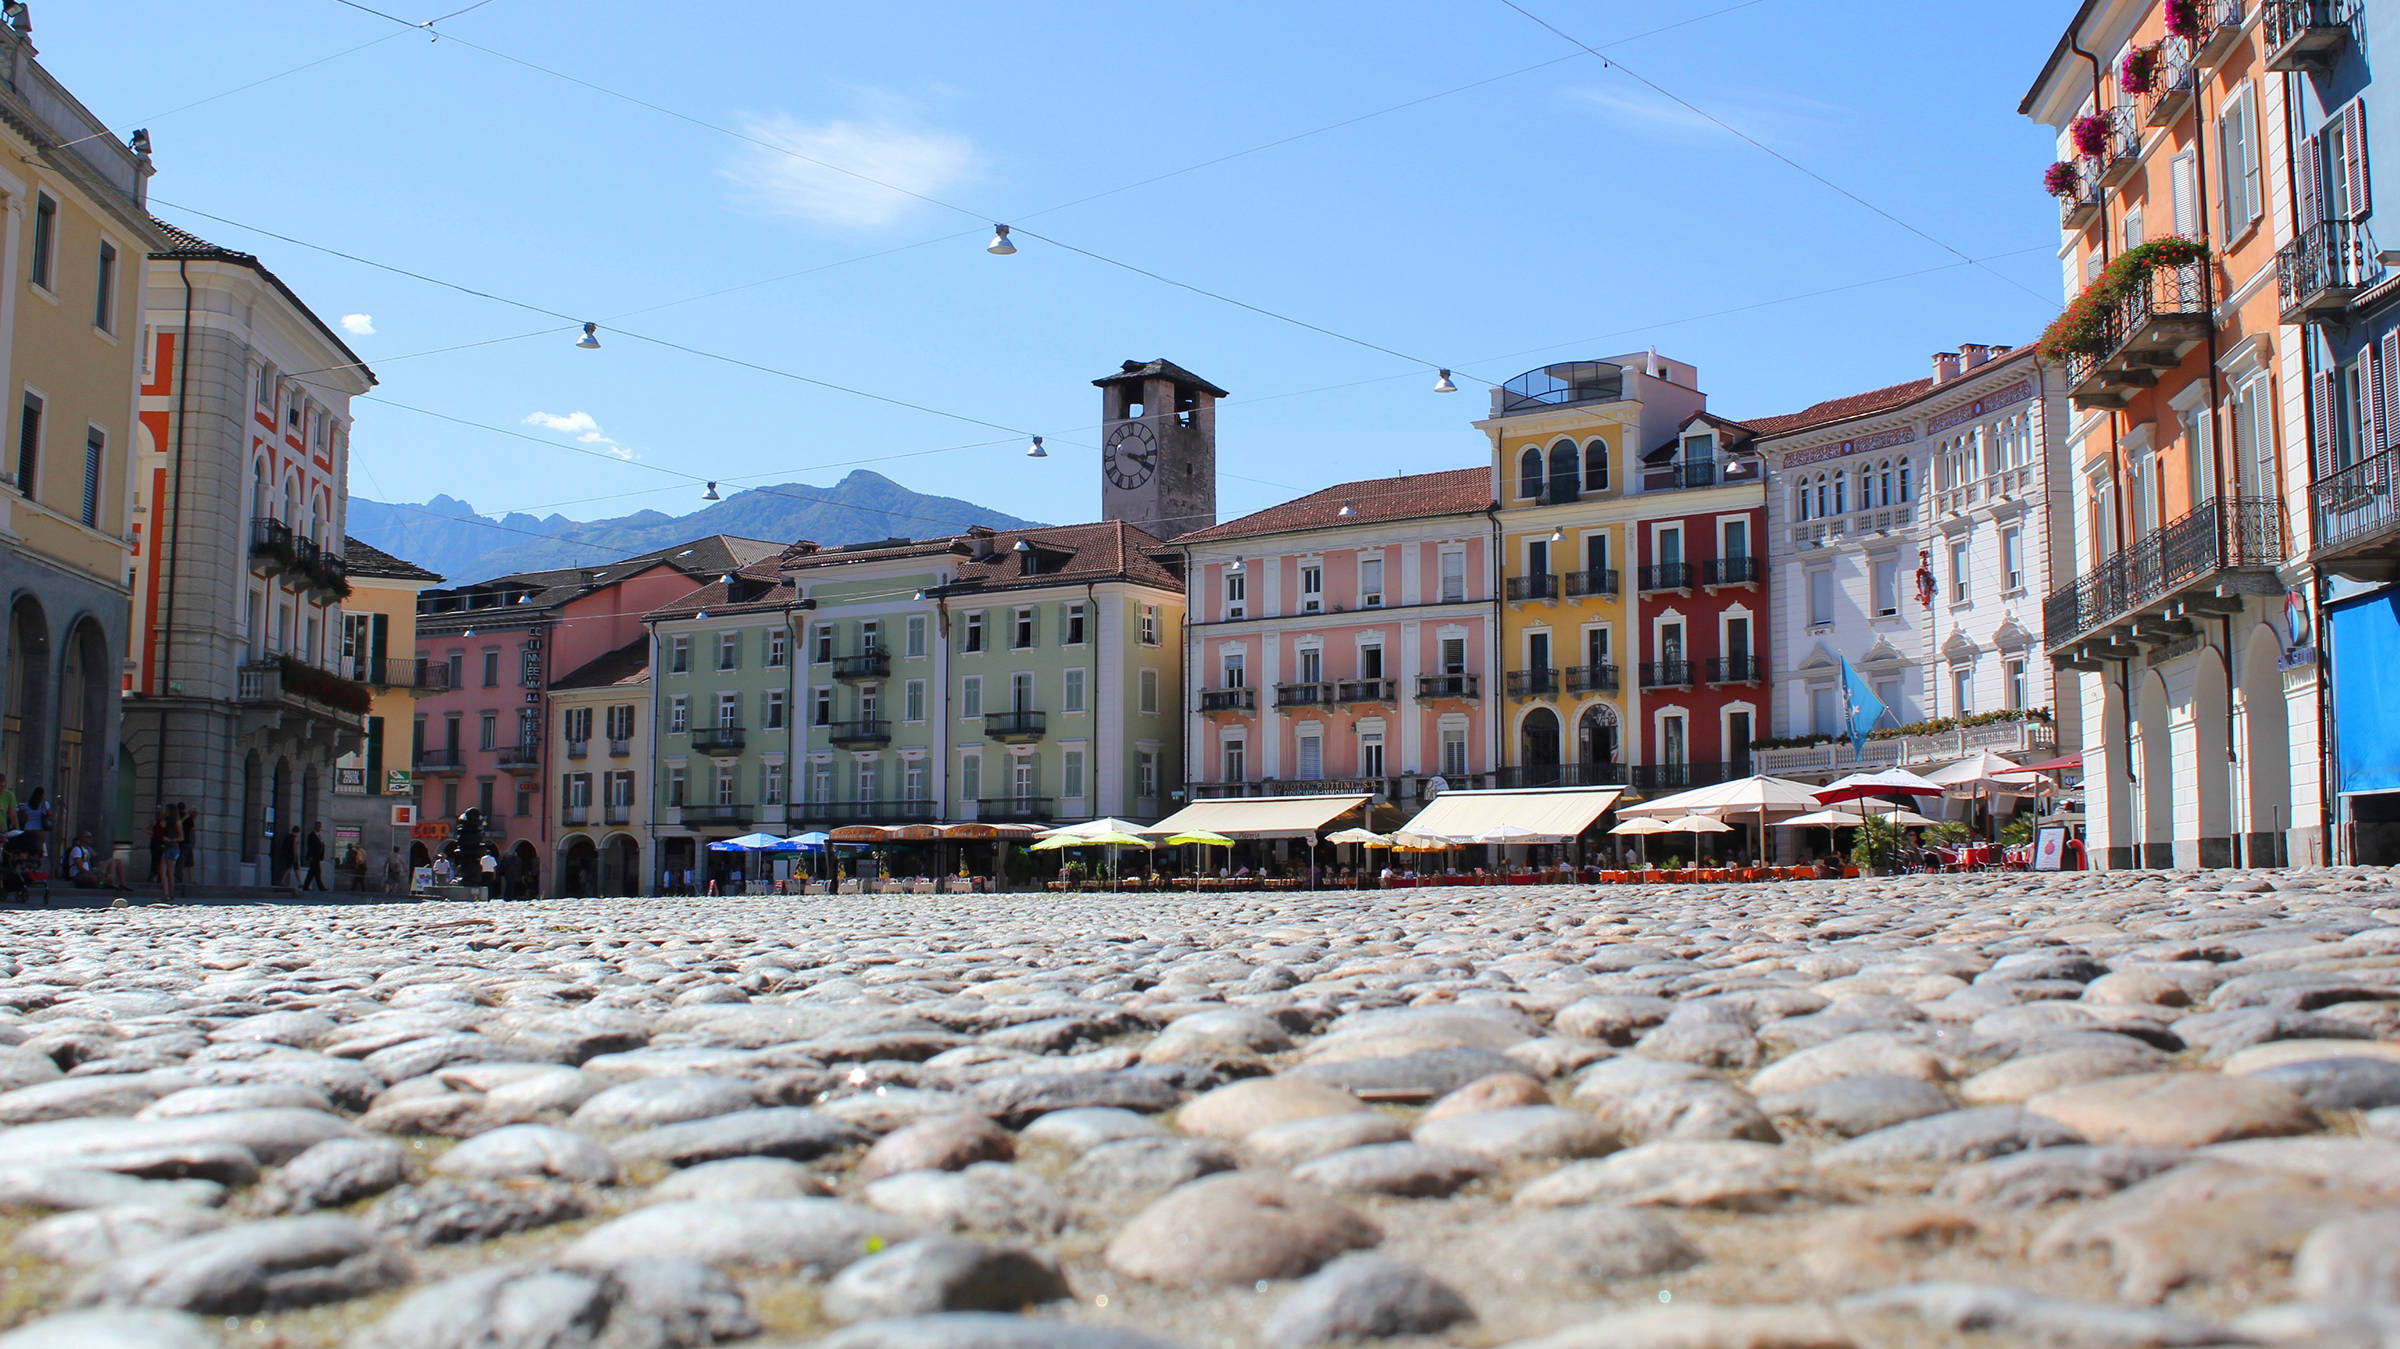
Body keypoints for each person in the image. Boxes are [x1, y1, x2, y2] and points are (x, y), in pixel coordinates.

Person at [158, 805, 182, 902]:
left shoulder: (177, 823)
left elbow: (181, 838)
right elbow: (160, 825)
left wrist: (170, 839)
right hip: (167, 848)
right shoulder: (167, 822)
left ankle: (171, 894)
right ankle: (166, 894)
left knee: (169, 872)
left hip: (173, 848)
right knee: (162, 872)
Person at [301, 822, 327, 891]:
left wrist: (322, 855)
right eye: (318, 826)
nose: (319, 828)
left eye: (320, 826)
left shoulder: (320, 836)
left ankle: (306, 886)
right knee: (317, 871)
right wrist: (310, 856)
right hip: (314, 856)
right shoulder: (311, 835)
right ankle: (321, 887)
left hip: (318, 856)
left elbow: (322, 845)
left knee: (312, 872)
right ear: (315, 827)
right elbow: (310, 846)